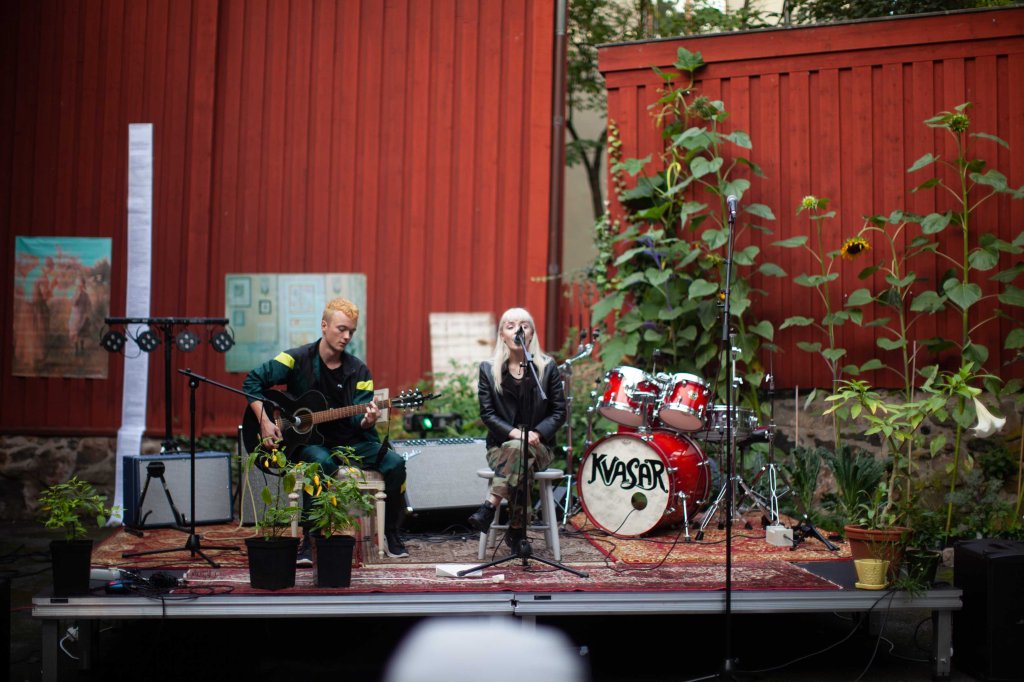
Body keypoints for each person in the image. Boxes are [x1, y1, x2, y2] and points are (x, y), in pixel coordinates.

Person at [243, 296, 409, 563]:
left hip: (351, 441)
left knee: (395, 463)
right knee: (321, 462)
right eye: (341, 329)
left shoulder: (359, 371)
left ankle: (391, 532)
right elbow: (252, 381)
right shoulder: (294, 359)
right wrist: (264, 420)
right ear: (324, 325)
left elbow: (360, 418)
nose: (346, 337)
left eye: (351, 331)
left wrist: (367, 420)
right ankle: (310, 540)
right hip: (309, 443)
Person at [468, 307, 566, 549]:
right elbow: (488, 414)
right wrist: (518, 435)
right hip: (500, 448)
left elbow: (559, 412)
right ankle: (516, 531)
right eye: (510, 326)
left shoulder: (547, 367)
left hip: (539, 447)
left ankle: (490, 506)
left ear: (531, 334)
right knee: (516, 450)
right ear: (502, 335)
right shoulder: (488, 369)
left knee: (520, 452)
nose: (517, 330)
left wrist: (537, 433)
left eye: (524, 325)